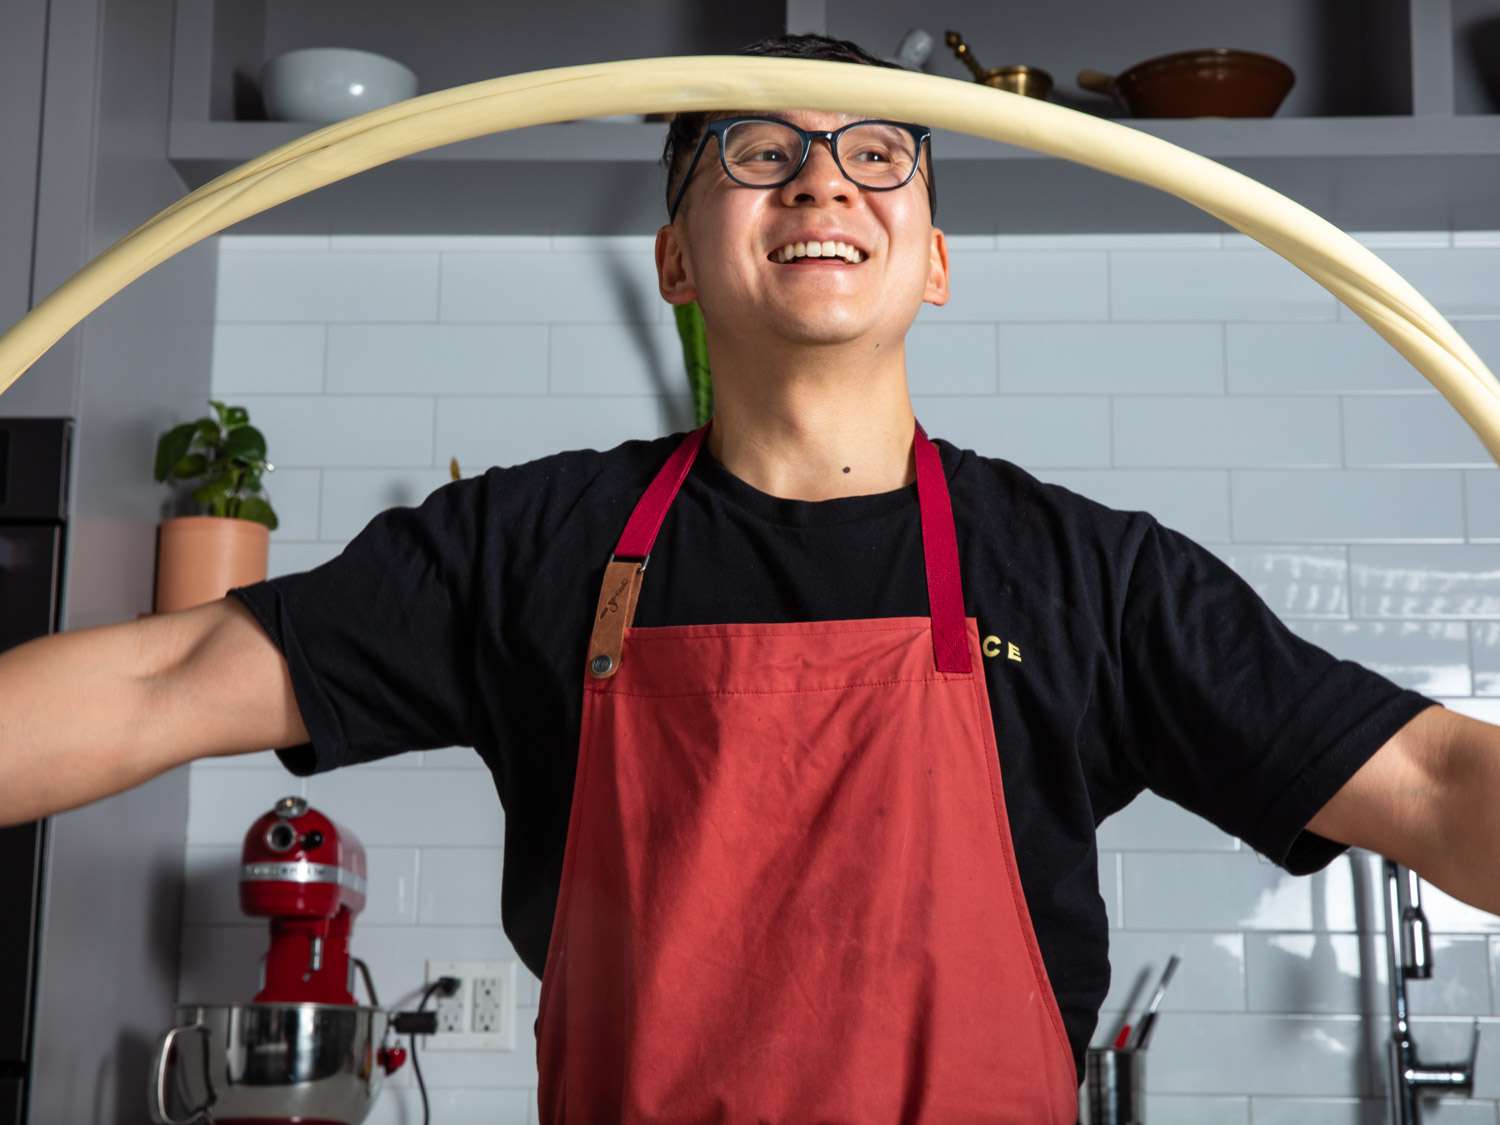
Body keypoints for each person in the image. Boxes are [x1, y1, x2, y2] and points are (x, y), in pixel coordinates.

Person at [1, 30, 1494, 1123]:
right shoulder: (529, 547)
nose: (819, 180)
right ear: (674, 256)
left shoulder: (1087, 574)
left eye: (875, 150)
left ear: (935, 257)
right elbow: (164, 675)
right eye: (757, 152)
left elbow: (1427, 778)